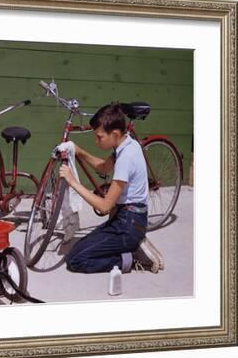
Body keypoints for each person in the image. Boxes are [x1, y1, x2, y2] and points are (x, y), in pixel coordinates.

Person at [59, 103, 164, 273]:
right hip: (127, 219)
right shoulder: (127, 143)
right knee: (80, 248)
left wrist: (73, 182)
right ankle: (133, 245)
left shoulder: (126, 158)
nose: (96, 141)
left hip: (127, 225)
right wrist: (79, 151)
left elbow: (104, 206)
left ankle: (135, 258)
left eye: (99, 137)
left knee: (75, 259)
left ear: (115, 134)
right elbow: (103, 167)